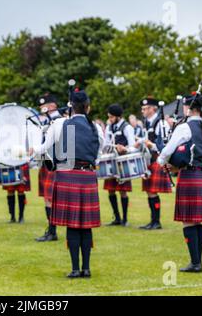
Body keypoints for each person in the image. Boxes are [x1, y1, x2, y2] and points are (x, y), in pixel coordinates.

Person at [31, 90, 104, 278]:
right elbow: (99, 151)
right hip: (87, 176)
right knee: (85, 226)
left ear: (70, 106)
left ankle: (74, 269)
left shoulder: (58, 124)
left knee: (72, 226)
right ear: (88, 107)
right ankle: (86, 268)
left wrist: (33, 149)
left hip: (66, 176)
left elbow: (43, 149)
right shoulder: (95, 127)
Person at [158, 94, 202, 273]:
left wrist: (161, 161)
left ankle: (195, 262)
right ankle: (198, 261)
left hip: (189, 176)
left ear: (188, 108)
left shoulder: (184, 128)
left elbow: (168, 149)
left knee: (188, 221)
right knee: (197, 222)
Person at [136, 98, 172, 230]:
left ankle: (156, 222)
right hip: (148, 159)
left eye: (145, 109)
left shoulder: (161, 123)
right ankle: (153, 221)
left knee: (152, 191)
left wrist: (150, 145)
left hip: (157, 158)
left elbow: (165, 144)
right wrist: (140, 141)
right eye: (142, 109)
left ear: (153, 109)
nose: (143, 111)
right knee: (149, 191)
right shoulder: (147, 122)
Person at [104, 104, 138, 226]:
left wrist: (125, 149)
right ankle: (116, 217)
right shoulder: (109, 127)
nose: (110, 119)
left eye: (112, 117)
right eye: (109, 117)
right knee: (110, 190)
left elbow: (133, 146)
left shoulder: (127, 127)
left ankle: (125, 219)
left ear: (118, 116)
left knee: (123, 191)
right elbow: (106, 144)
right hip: (111, 161)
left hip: (123, 162)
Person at [36, 93, 62, 241]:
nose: (41, 108)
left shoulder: (59, 120)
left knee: (51, 198)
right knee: (47, 198)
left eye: (44, 105)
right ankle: (51, 230)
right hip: (47, 162)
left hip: (55, 163)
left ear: (52, 106)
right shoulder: (47, 120)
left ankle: (53, 232)